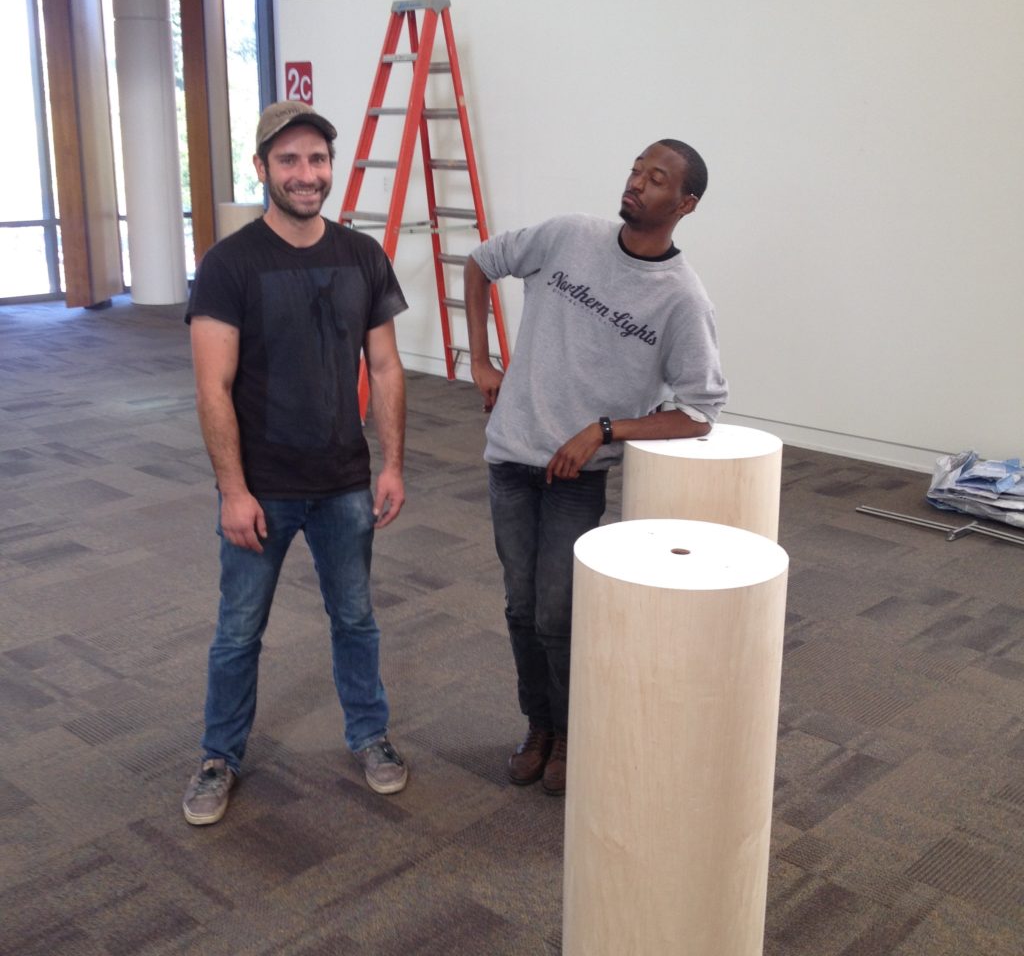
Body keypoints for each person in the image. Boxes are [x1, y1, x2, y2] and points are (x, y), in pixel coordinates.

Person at [463, 139, 728, 796]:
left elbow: (699, 413)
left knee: (558, 616)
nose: (637, 183)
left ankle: (571, 733)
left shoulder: (681, 299)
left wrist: (607, 430)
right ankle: (538, 727)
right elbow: (480, 262)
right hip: (511, 457)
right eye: (636, 170)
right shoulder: (568, 236)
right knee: (521, 608)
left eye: (656, 178)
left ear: (686, 204)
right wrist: (481, 360)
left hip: (575, 481)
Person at [181, 101, 410, 826]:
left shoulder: (362, 256)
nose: (305, 174)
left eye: (316, 159)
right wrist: (232, 490)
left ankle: (370, 735)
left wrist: (392, 465)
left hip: (344, 482)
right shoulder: (229, 265)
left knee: (356, 619)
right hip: (263, 490)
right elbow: (212, 387)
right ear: (262, 168)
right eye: (288, 160)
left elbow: (386, 366)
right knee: (238, 631)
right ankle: (219, 756)